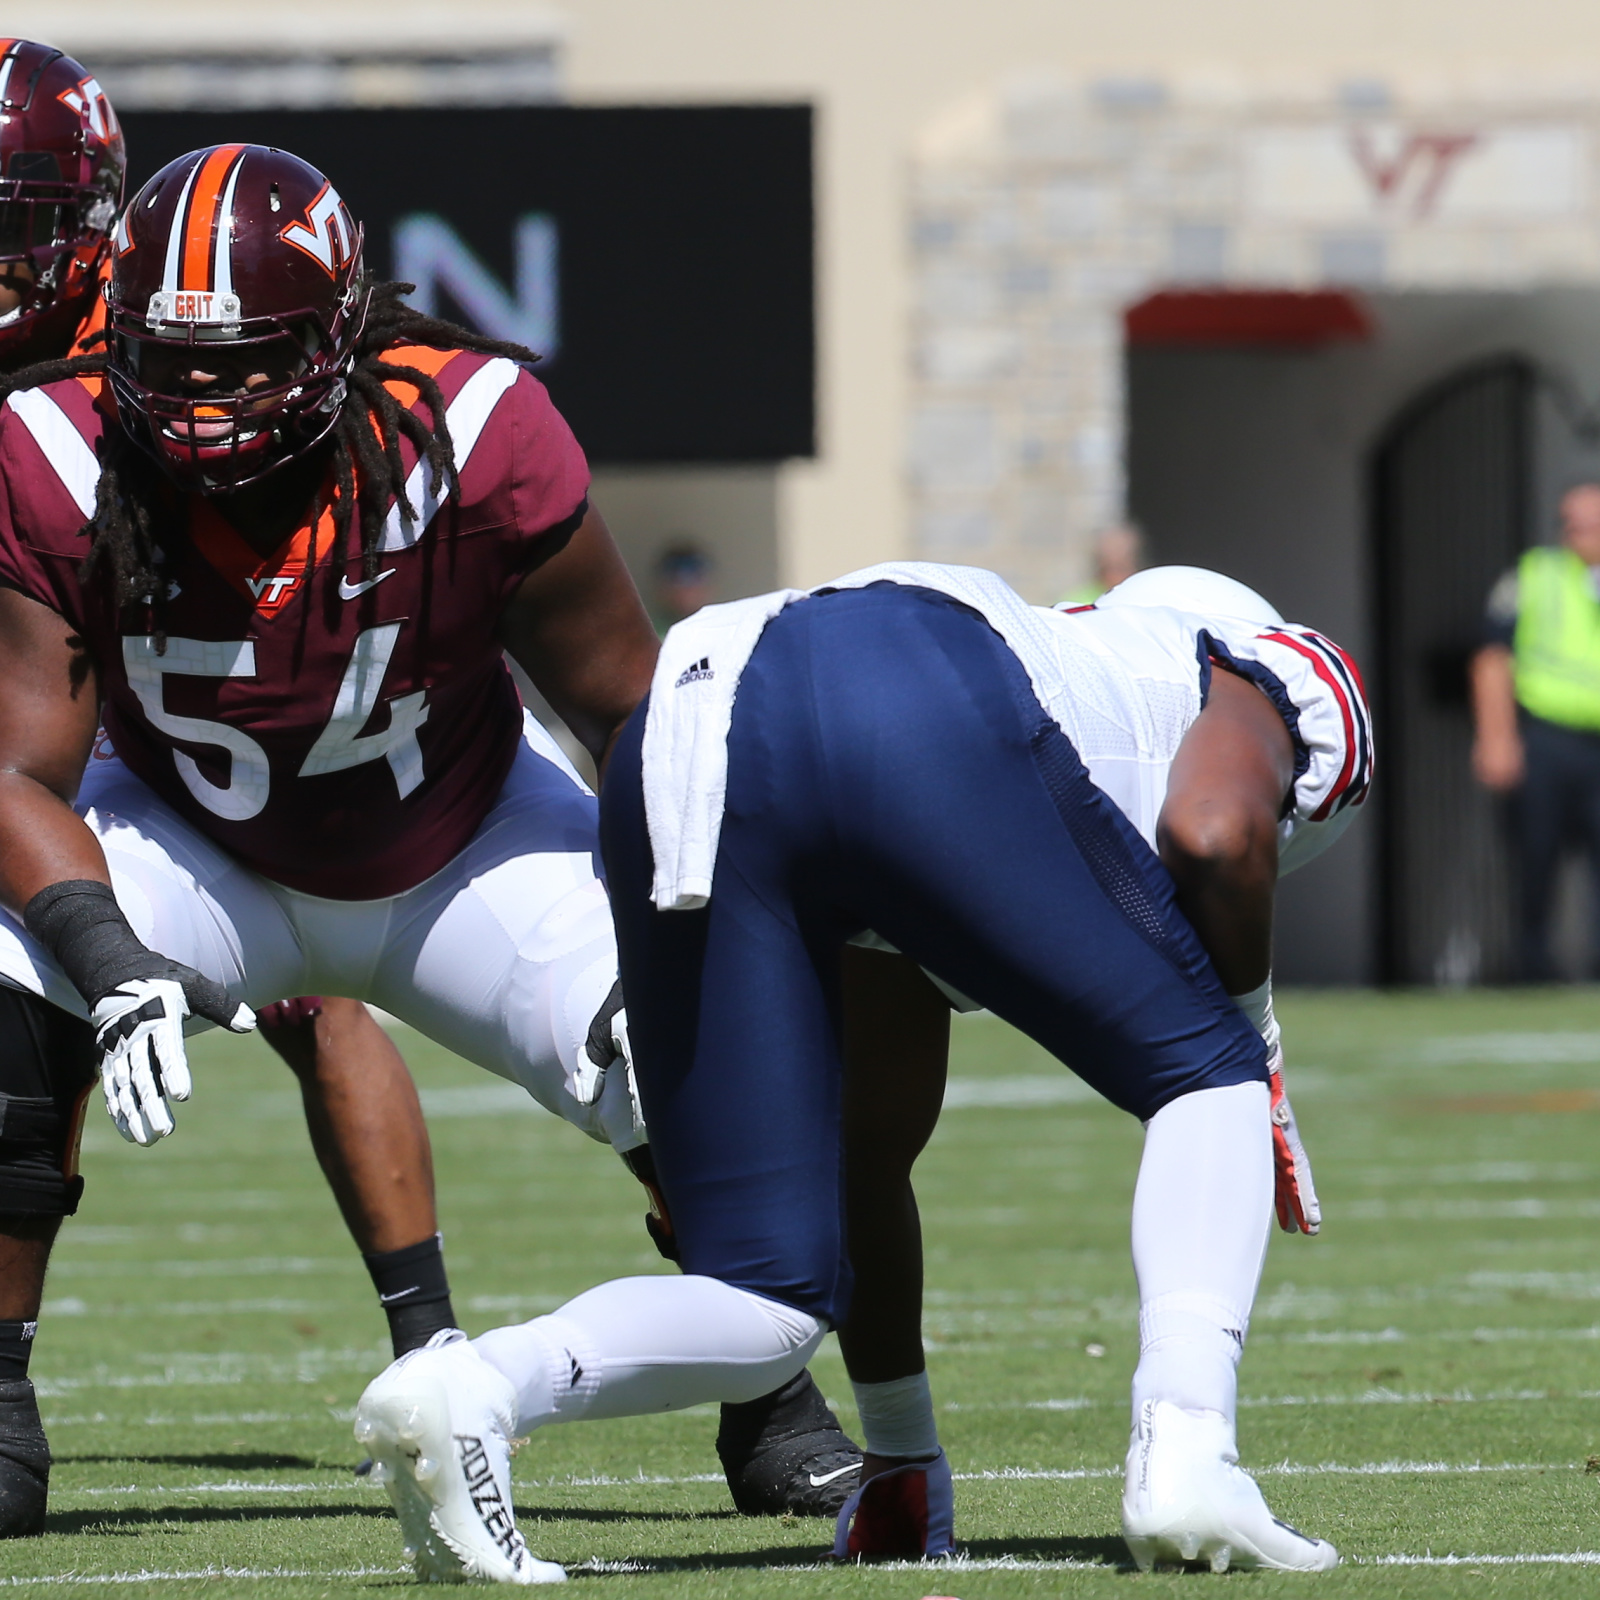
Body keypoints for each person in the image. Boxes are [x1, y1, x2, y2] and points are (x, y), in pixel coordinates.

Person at [0, 139, 856, 1539]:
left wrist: (705, 922)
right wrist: (107, 950)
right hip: (203, 843)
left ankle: (768, 1397)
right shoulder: (52, 448)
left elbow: (629, 712)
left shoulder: (475, 428)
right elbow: (16, 773)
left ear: (340, 341)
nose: (203, 405)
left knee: (693, 1057)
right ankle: (1, 1412)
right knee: (12, 968)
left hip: (462, 835)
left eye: (246, 362)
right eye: (173, 363)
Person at [355, 559, 1370, 1580]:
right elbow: (1213, 832)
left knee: (769, 1296)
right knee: (1211, 1077)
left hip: (681, 716)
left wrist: (899, 1452)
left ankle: (474, 1386)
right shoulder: (1262, 663)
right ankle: (1190, 1453)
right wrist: (1254, 1042)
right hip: (907, 692)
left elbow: (872, 1152)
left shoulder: (1046, 700)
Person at [1472, 480, 1600, 980]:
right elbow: (1492, 658)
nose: (1582, 534)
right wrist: (1497, 738)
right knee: (1535, 855)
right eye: (1574, 524)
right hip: (1547, 737)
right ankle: (1532, 967)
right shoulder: (1533, 576)